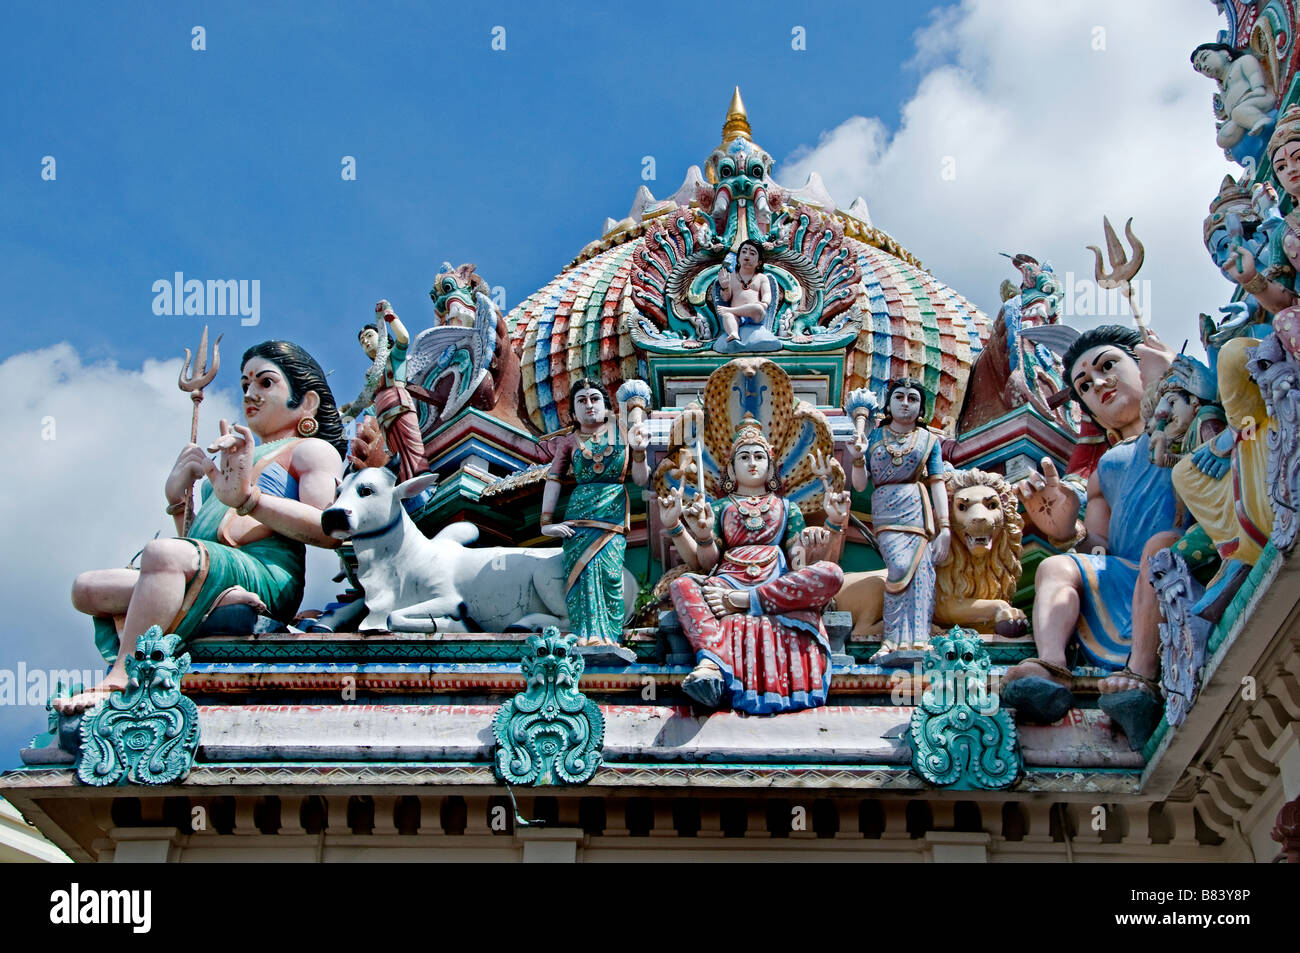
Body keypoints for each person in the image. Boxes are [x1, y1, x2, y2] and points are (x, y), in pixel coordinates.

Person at [57, 341, 347, 714]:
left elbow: (328, 530)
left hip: (266, 571)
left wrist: (249, 499)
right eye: (245, 385)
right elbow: (197, 541)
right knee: (88, 588)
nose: (250, 394)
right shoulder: (237, 457)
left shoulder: (310, 451)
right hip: (217, 566)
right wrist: (178, 498)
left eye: (265, 383)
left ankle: (120, 679)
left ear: (306, 403)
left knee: (160, 555)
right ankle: (219, 602)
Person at [1003, 324, 1182, 749]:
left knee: (1160, 549)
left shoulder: (1184, 420)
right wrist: (1065, 528)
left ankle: (1140, 674)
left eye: (1108, 366)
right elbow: (1097, 545)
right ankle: (1050, 665)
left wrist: (1171, 378)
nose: (1098, 383)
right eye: (1084, 384)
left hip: (1178, 556)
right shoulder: (1108, 466)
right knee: (1056, 566)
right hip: (1124, 572)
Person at [662, 416, 848, 714]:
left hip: (773, 581)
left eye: (759, 456)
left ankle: (748, 602)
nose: (752, 462)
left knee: (831, 574)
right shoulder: (721, 508)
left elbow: (798, 566)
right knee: (682, 585)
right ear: (731, 467)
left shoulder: (787, 508)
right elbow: (706, 563)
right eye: (744, 456)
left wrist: (833, 526)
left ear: (771, 465)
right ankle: (711, 661)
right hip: (726, 581)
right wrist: (689, 531)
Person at [539, 379, 650, 647]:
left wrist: (639, 452)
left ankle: (610, 636)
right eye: (581, 400)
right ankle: (584, 636)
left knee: (610, 575)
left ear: (606, 404)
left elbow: (641, 479)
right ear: (573, 412)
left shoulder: (624, 431)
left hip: (612, 514)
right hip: (578, 517)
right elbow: (553, 480)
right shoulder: (568, 442)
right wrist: (546, 523)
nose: (589, 405)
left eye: (594, 398)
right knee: (581, 578)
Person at [849, 378, 951, 662]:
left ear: (920, 410)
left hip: (917, 510)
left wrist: (944, 528)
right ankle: (892, 639)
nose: (905, 403)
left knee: (921, 574)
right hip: (886, 509)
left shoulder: (929, 441)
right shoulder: (874, 438)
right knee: (899, 568)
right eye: (900, 397)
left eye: (912, 399)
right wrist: (857, 459)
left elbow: (938, 484)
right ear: (889, 404)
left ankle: (917, 642)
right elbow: (859, 486)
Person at [341, 300, 428, 483]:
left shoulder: (393, 355)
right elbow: (365, 400)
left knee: (409, 443)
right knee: (394, 452)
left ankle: (421, 477)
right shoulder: (370, 373)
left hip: (399, 402)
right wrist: (343, 411)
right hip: (381, 414)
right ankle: (405, 481)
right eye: (362, 341)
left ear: (381, 337)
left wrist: (390, 316)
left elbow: (403, 338)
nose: (365, 341)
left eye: (368, 336)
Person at [715, 240, 772, 343]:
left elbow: (767, 293)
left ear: (759, 262)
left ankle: (730, 311)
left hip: (755, 316)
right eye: (744, 252)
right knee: (727, 316)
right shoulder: (731, 277)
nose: (747, 255)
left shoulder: (761, 278)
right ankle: (733, 333)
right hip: (737, 317)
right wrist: (725, 287)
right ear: (738, 258)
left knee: (757, 308)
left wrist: (765, 302)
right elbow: (726, 298)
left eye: (752, 253)